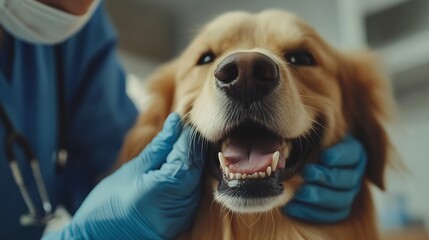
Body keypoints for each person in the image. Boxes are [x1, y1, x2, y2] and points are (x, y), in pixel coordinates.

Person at [0, 0, 367, 239]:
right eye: (207, 58)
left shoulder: (80, 29)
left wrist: (364, 134)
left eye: (301, 58)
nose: (246, 69)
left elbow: (118, 169)